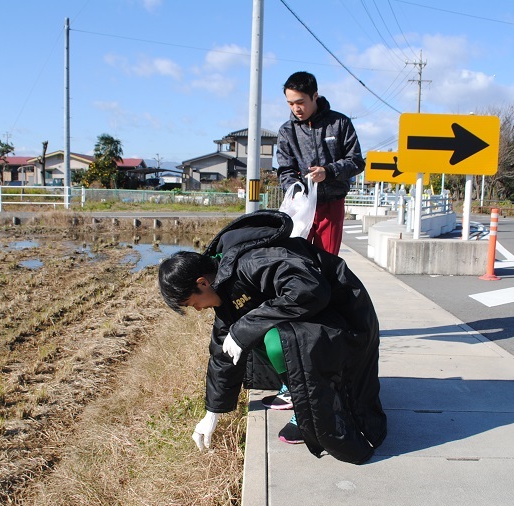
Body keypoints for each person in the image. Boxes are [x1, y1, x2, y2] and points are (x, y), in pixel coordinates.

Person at [158, 210, 387, 465]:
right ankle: (295, 386)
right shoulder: (223, 288)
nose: (198, 310)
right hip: (321, 324)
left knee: (271, 340)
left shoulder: (253, 261)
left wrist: (245, 327)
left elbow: (310, 289)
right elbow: (222, 354)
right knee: (240, 336)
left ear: (202, 283)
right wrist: (212, 413)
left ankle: (305, 405)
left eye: (193, 303)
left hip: (346, 320)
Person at [277, 71, 365, 257]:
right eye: (290, 103)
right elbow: (285, 169)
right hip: (301, 206)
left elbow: (356, 161)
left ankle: (328, 287)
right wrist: (296, 190)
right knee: (297, 260)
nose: (295, 108)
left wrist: (328, 172)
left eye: (300, 102)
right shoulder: (287, 131)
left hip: (331, 203)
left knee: (327, 262)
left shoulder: (339, 123)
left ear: (315, 96)